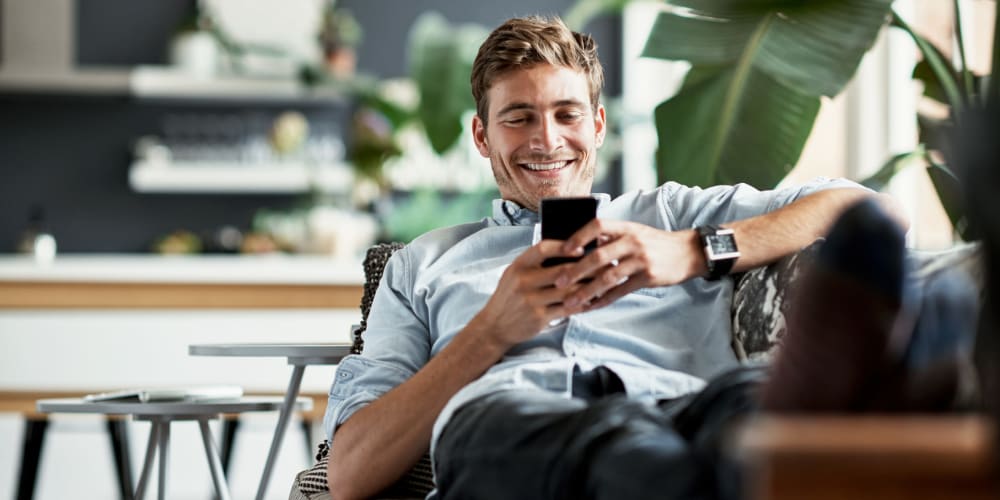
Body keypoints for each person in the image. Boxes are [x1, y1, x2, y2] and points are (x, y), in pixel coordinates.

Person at [322, 15, 912, 500]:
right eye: (518, 117)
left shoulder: (675, 215)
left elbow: (868, 212)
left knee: (751, 402)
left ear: (597, 124)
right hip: (508, 421)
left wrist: (694, 250)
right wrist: (488, 334)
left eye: (566, 114)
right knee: (639, 454)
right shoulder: (422, 266)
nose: (547, 140)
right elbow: (349, 473)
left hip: (681, 404)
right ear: (482, 137)